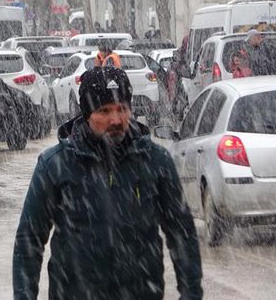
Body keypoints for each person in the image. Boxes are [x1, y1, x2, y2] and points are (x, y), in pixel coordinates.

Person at [13, 67, 203, 300]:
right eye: (104, 111)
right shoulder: (55, 165)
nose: (116, 119)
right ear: (86, 114)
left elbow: (182, 234)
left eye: (122, 109)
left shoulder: (156, 161)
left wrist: (191, 294)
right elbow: (29, 241)